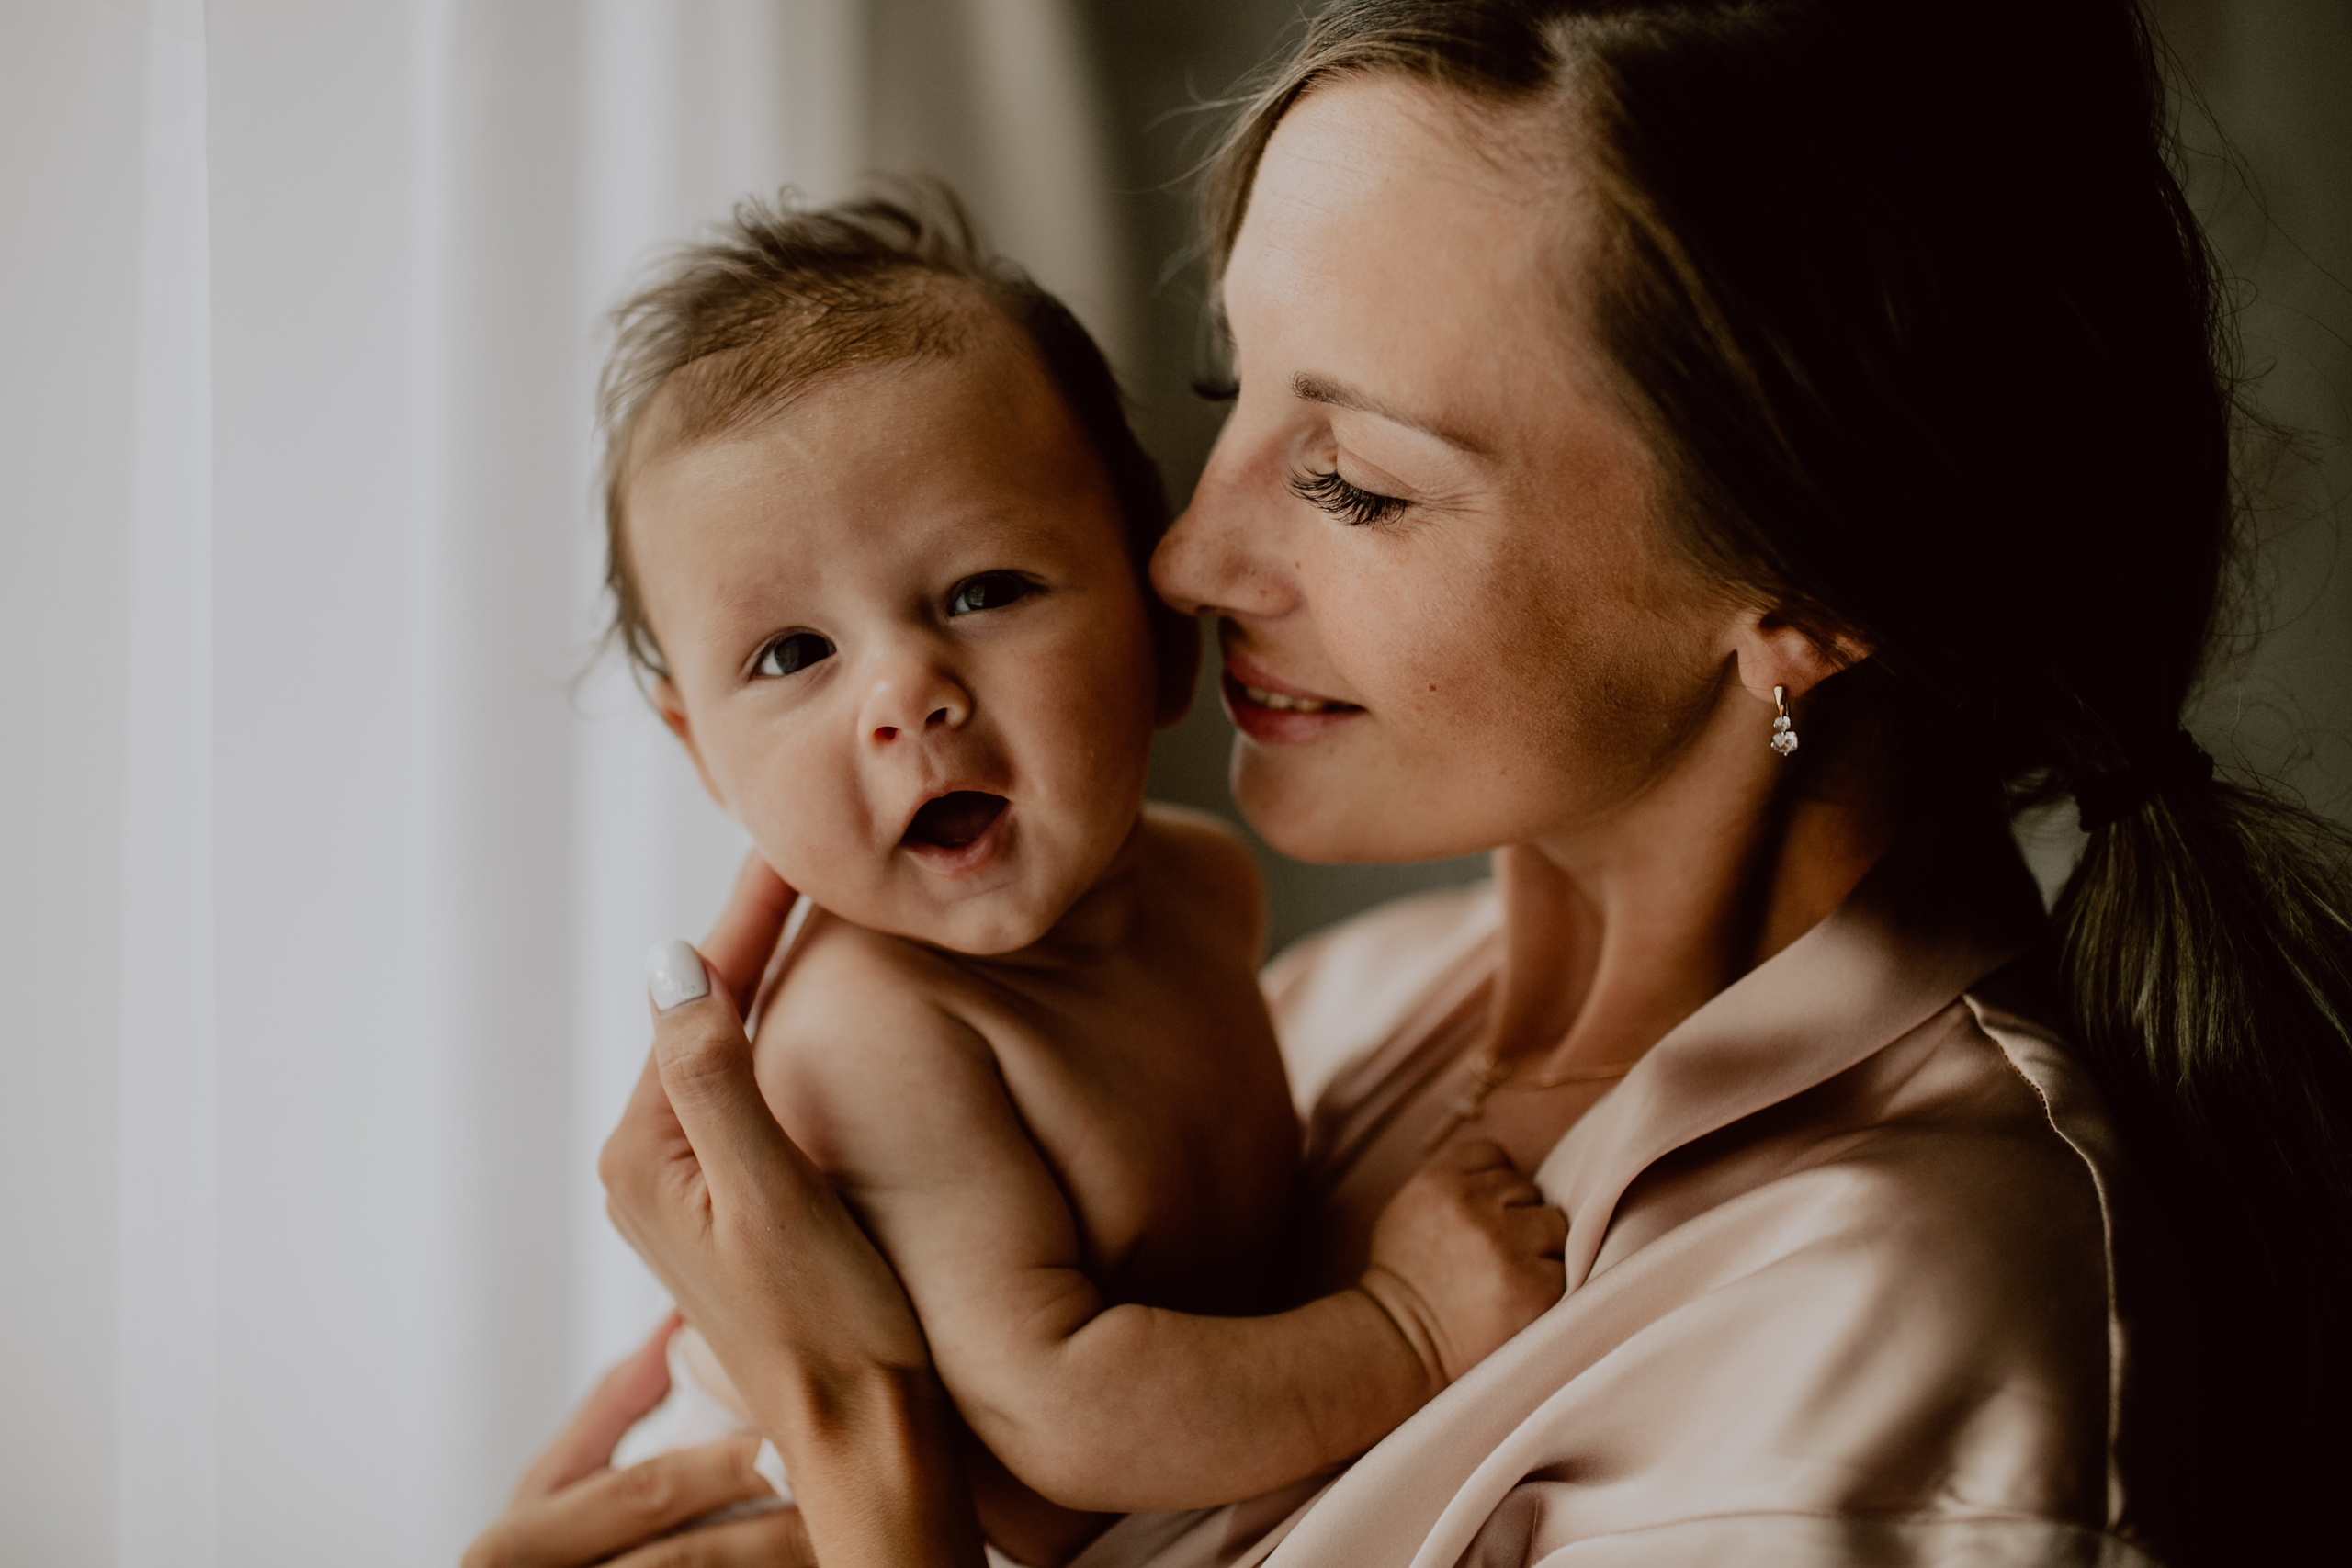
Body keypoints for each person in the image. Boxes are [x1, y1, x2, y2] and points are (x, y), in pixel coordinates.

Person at [468, 1, 2352, 1565]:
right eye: (1228, 402)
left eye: (1351, 478)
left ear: (1798, 596)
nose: (1185, 562)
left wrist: (873, 1463)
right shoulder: (1322, 1007)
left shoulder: (1892, 1342)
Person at [577, 191, 1567, 1568]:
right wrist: (1401, 1326)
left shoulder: (1205, 890)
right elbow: (1063, 1421)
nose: (904, 694)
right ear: (701, 754)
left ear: (1162, 635)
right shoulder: (878, 1040)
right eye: (792, 655)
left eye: (984, 591)